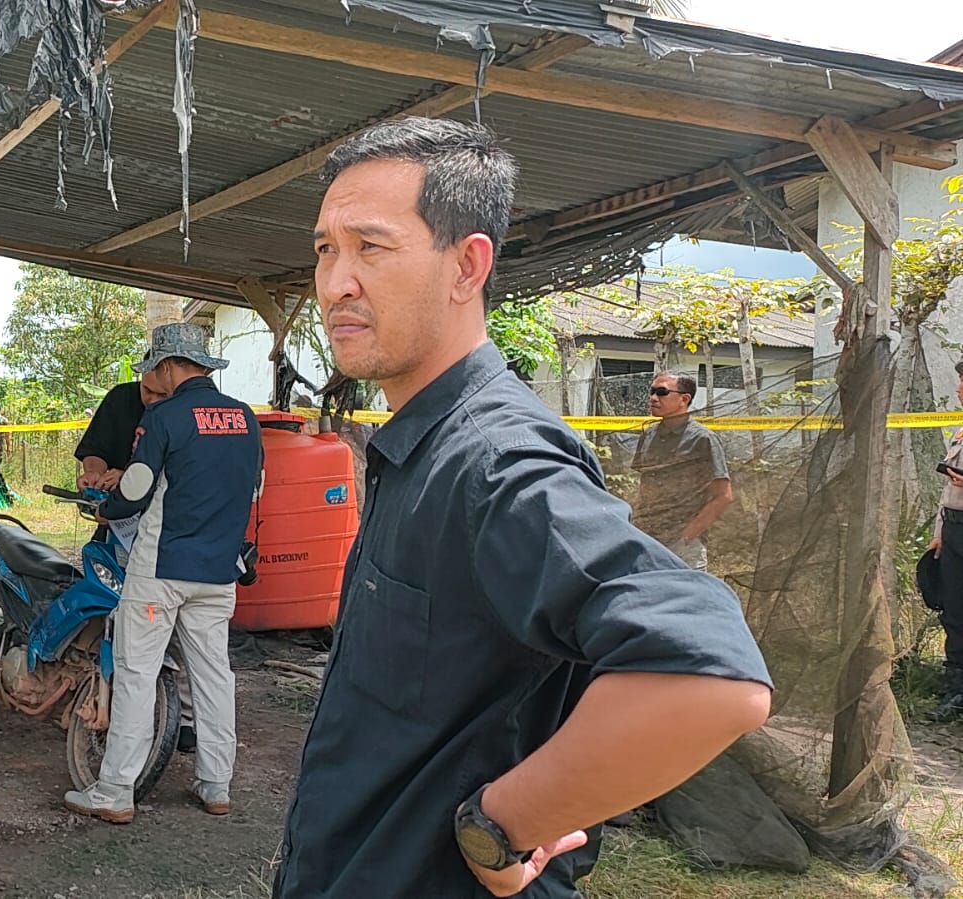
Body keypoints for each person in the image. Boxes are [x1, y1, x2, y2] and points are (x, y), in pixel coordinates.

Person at [272, 118, 772, 899]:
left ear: (466, 265)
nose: (336, 281)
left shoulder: (492, 461)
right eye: (324, 249)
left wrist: (498, 823)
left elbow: (708, 673)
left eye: (369, 247)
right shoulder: (419, 448)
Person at [63, 322, 262, 825]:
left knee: (135, 673)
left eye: (155, 367)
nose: (152, 377)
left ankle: (113, 791)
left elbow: (135, 490)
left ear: (170, 365)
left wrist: (106, 511)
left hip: (161, 570)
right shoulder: (245, 419)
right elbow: (253, 490)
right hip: (218, 573)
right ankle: (216, 784)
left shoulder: (166, 417)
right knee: (214, 675)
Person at [630, 372, 733, 571]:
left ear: (684, 399)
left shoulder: (702, 440)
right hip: (646, 539)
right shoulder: (649, 434)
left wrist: (687, 535)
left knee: (684, 601)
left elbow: (723, 496)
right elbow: (647, 488)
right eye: (652, 391)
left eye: (662, 392)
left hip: (683, 548)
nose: (653, 398)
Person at [925, 359, 963, 723]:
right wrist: (938, 535)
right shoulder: (960, 432)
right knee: (953, 611)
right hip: (953, 530)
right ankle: (955, 691)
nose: (958, 388)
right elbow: (947, 488)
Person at [74, 363, 171, 491]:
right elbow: (95, 449)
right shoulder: (120, 397)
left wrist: (130, 479)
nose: (152, 400)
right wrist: (94, 473)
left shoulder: (189, 411)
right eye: (147, 390)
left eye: (163, 395)